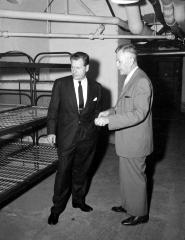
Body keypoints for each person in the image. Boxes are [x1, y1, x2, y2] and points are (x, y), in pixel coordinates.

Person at [95, 43, 153, 226]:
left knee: (135, 177)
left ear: (130, 59)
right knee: (127, 176)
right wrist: (109, 112)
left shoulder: (141, 81)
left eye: (119, 61)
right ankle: (129, 205)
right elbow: (123, 107)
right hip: (127, 140)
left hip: (135, 141)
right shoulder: (131, 77)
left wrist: (109, 122)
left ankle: (140, 213)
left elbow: (139, 113)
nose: (117, 64)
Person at [47, 51, 102, 225]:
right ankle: (56, 209)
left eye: (78, 67)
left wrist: (94, 130)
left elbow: (97, 112)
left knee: (82, 171)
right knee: (63, 172)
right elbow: (53, 110)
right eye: (72, 67)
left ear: (87, 67)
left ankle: (78, 200)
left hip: (87, 137)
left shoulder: (97, 87)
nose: (74, 71)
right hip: (66, 136)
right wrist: (51, 131)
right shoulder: (61, 84)